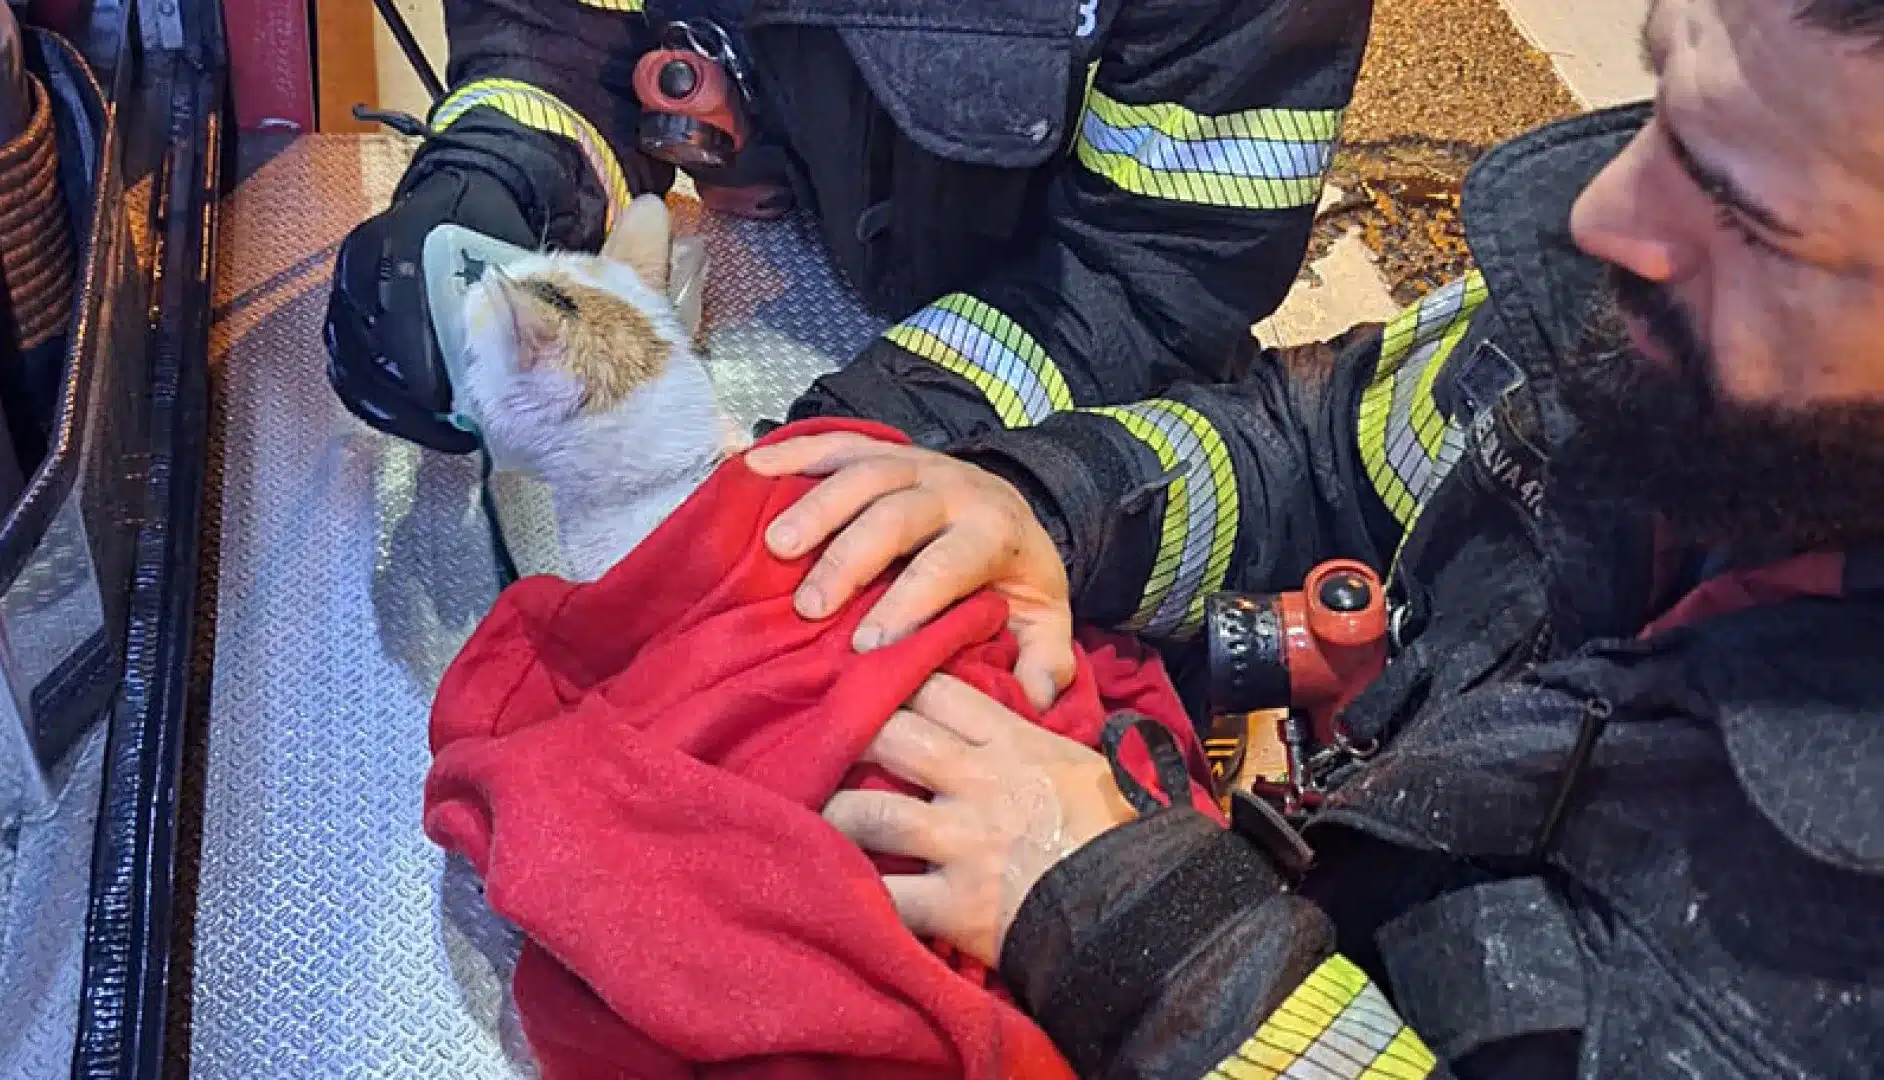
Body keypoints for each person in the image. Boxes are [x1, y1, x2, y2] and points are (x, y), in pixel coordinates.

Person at [747, 0, 1884, 1075]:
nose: (1599, 217)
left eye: (1750, 213)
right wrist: (1060, 506)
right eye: (1663, 103)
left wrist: (1146, 940)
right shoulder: (1655, 307)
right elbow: (1330, 446)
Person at [322, 0, 1373, 459]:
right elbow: (564, 31)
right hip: (784, 265)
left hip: (1076, 372)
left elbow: (1157, 271)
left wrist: (870, 432)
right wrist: (498, 174)